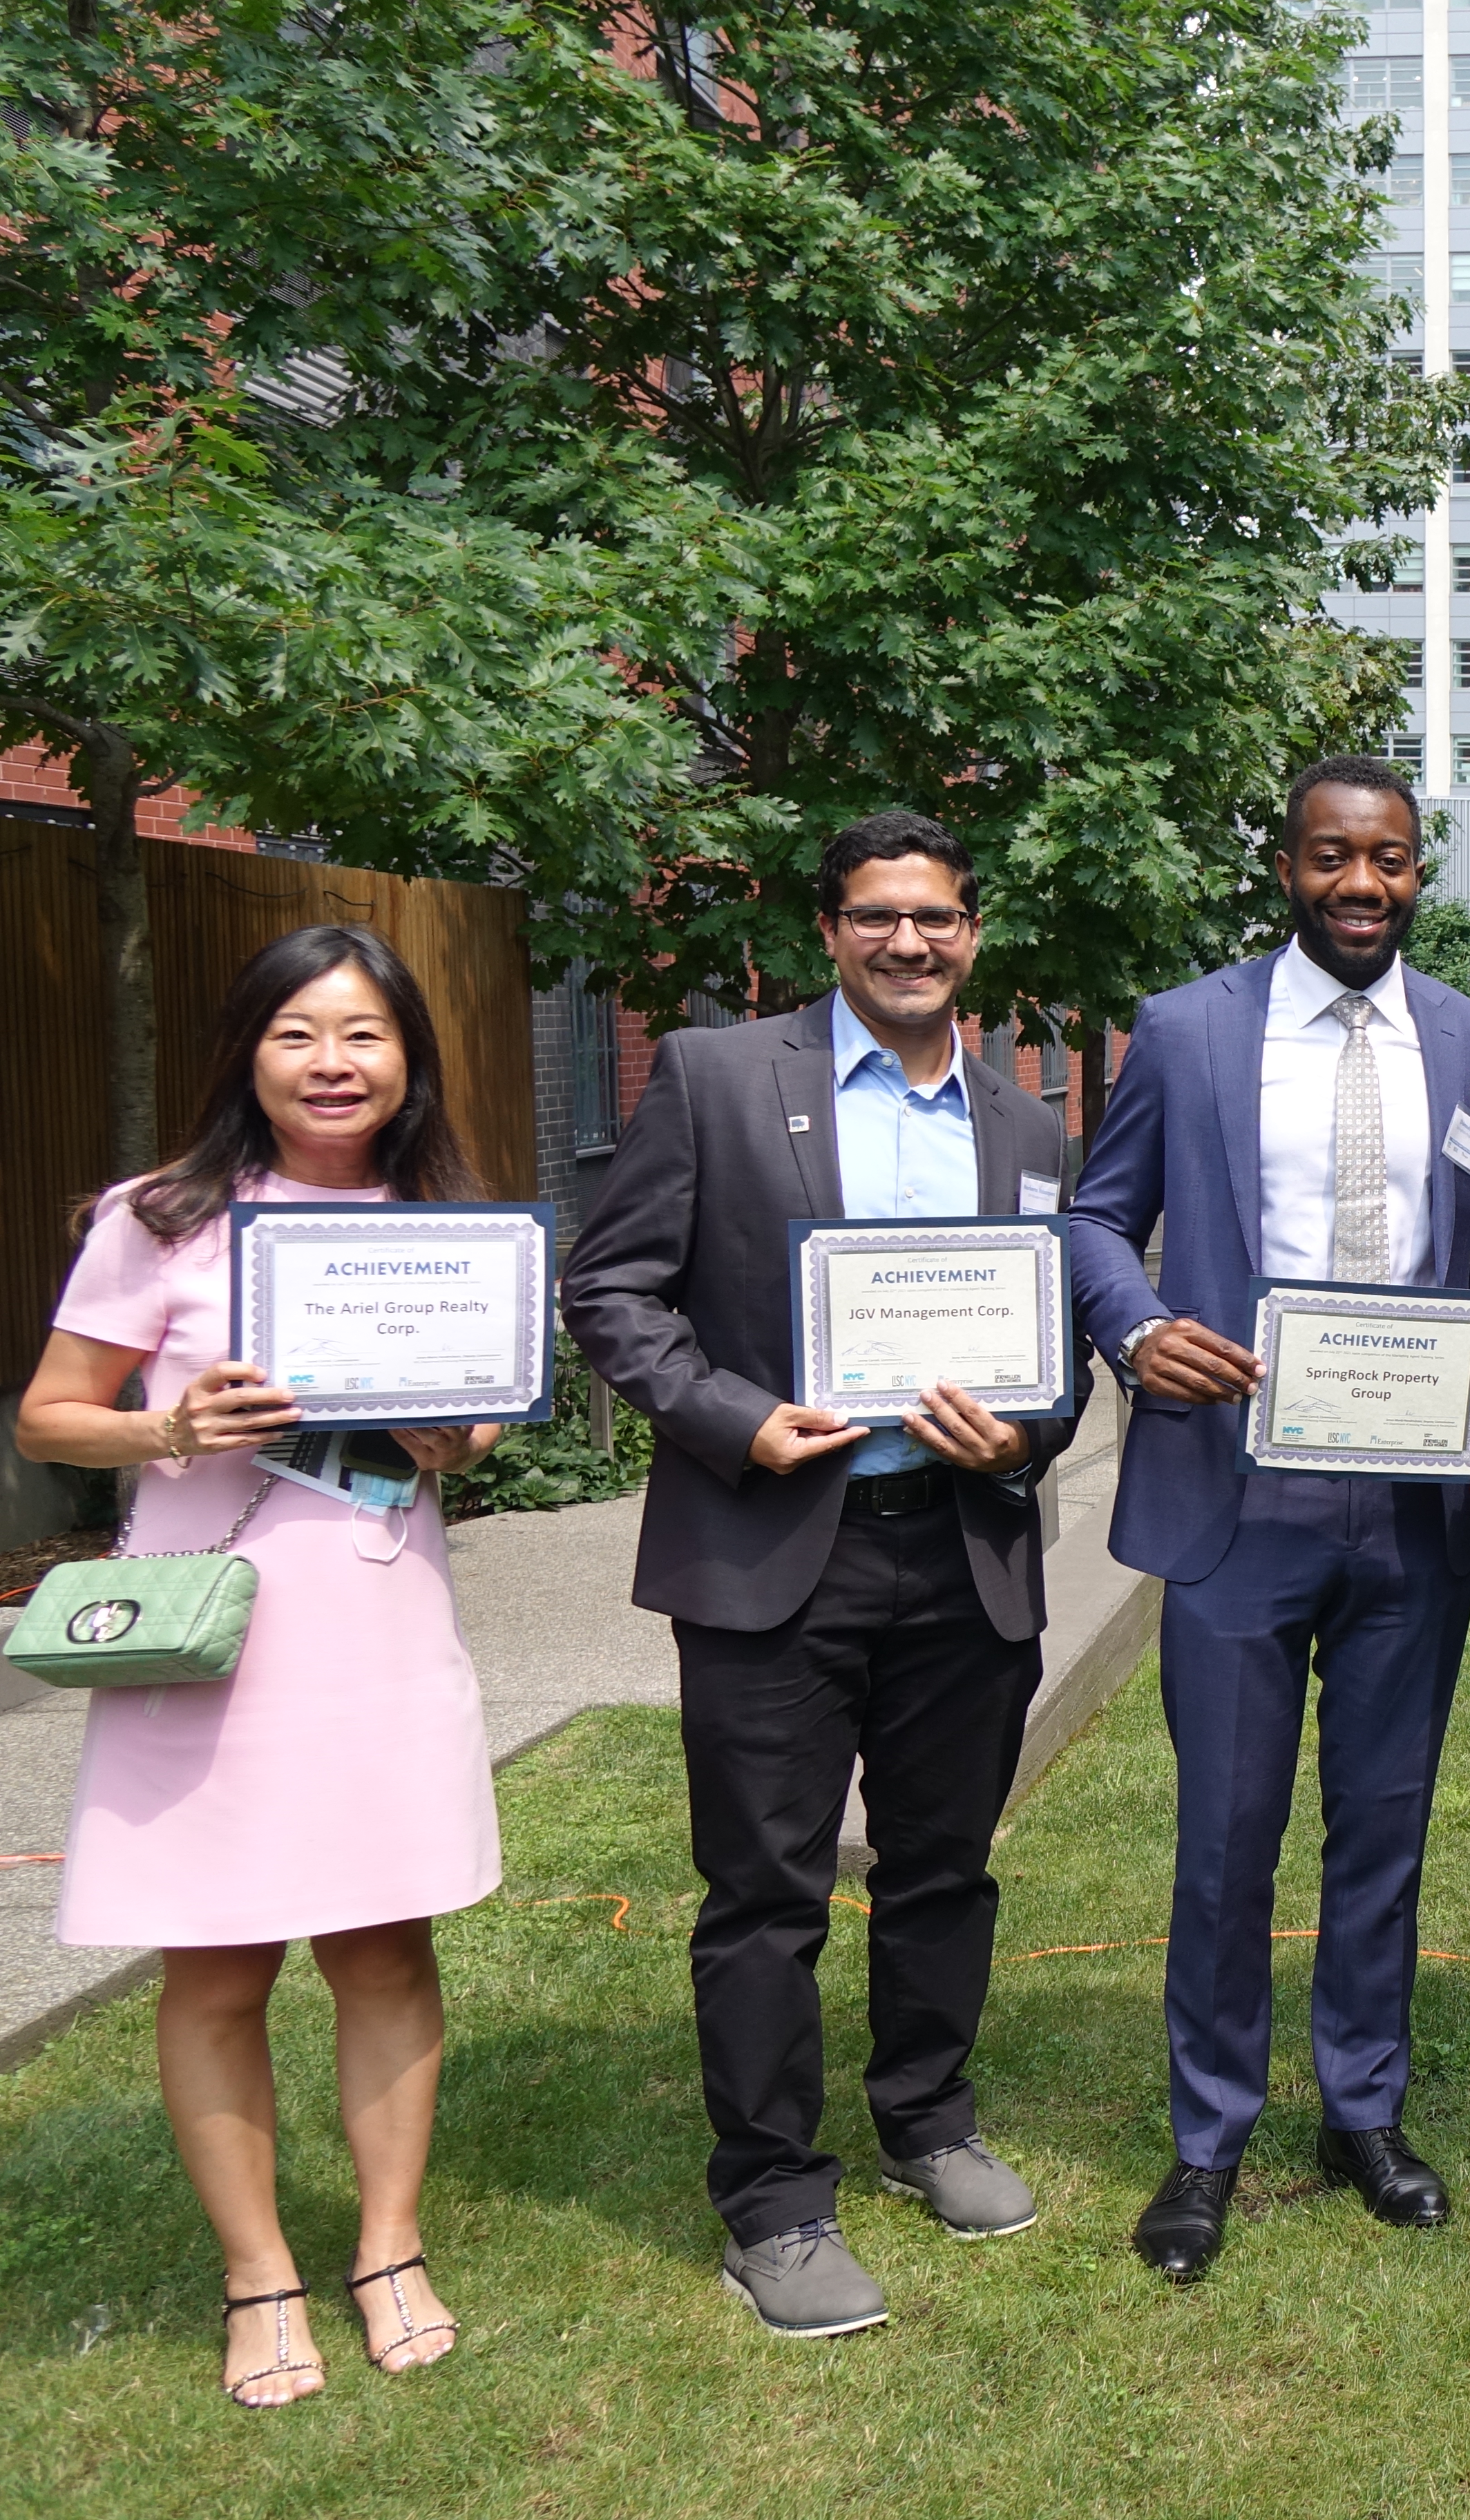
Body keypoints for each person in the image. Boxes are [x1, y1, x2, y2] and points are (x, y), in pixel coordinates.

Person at [563, 811, 1083, 2338]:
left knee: (944, 1865)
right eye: (876, 917)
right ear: (831, 932)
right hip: (775, 1554)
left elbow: (1046, 1352)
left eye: (935, 918)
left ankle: (927, 2120)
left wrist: (1022, 1439)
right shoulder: (723, 1079)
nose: (907, 942)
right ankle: (776, 2202)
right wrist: (736, 1418)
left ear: (972, 935)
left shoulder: (1028, 1129)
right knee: (766, 1890)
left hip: (964, 1554)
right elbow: (612, 1287)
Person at [1067, 755, 1470, 2282]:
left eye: (1392, 862)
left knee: (1385, 1829)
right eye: (1335, 858)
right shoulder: (1192, 1028)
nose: (1364, 887)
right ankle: (1208, 2138)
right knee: (1226, 1838)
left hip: (1411, 1505)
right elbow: (1097, 1215)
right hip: (1236, 1496)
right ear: (1286, 865)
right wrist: (1141, 1329)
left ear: (1420, 872)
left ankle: (1363, 2111)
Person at [16, 925, 506, 2407]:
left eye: (363, 1034)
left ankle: (389, 2248)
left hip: (375, 1631)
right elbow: (49, 1416)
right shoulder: (162, 1217)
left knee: (384, 1948)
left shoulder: (452, 1224)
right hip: (215, 1646)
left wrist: (453, 1430)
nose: (332, 1062)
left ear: (409, 1056)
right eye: (298, 1032)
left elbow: (471, 1435)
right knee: (216, 1965)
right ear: (247, 1051)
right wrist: (175, 1428)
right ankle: (256, 2275)